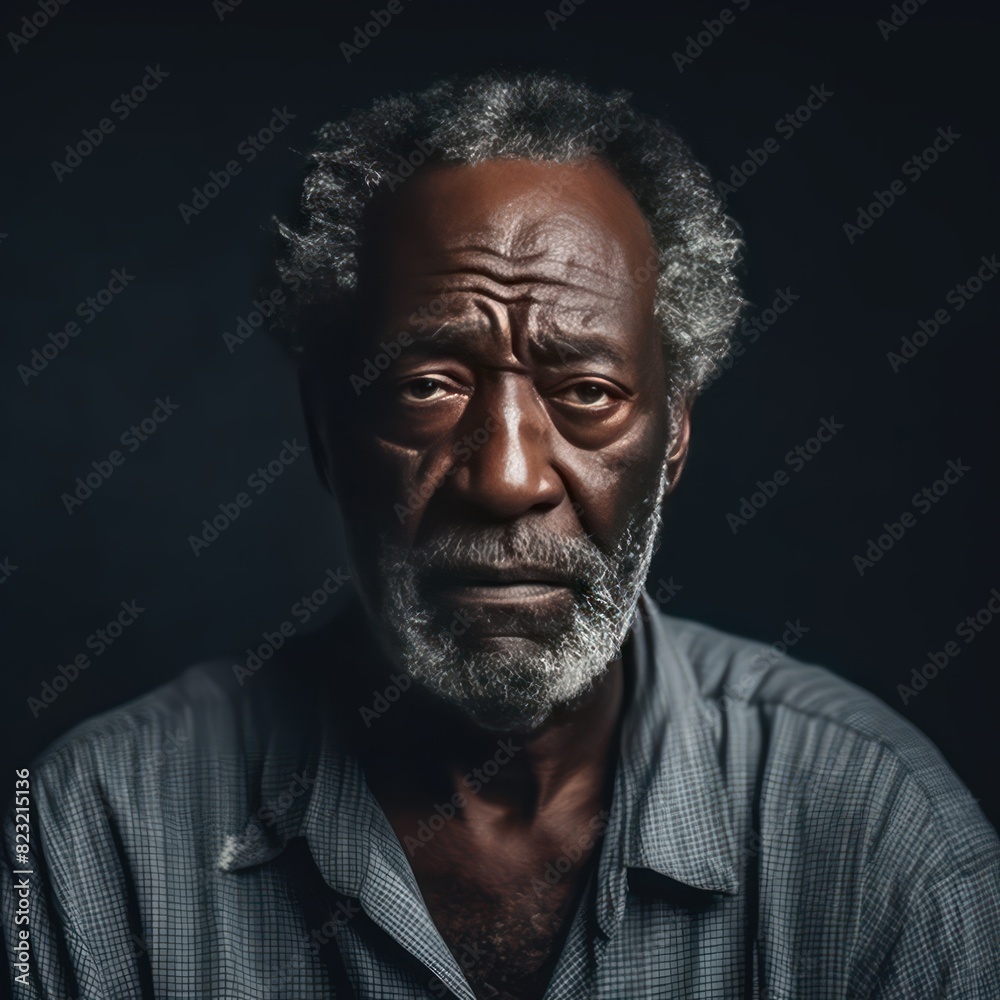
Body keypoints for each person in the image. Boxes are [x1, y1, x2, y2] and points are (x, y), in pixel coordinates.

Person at [4, 71, 998, 1000]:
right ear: (323, 432)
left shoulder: (880, 833)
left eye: (588, 393)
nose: (508, 478)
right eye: (426, 386)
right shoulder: (91, 837)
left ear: (676, 436)